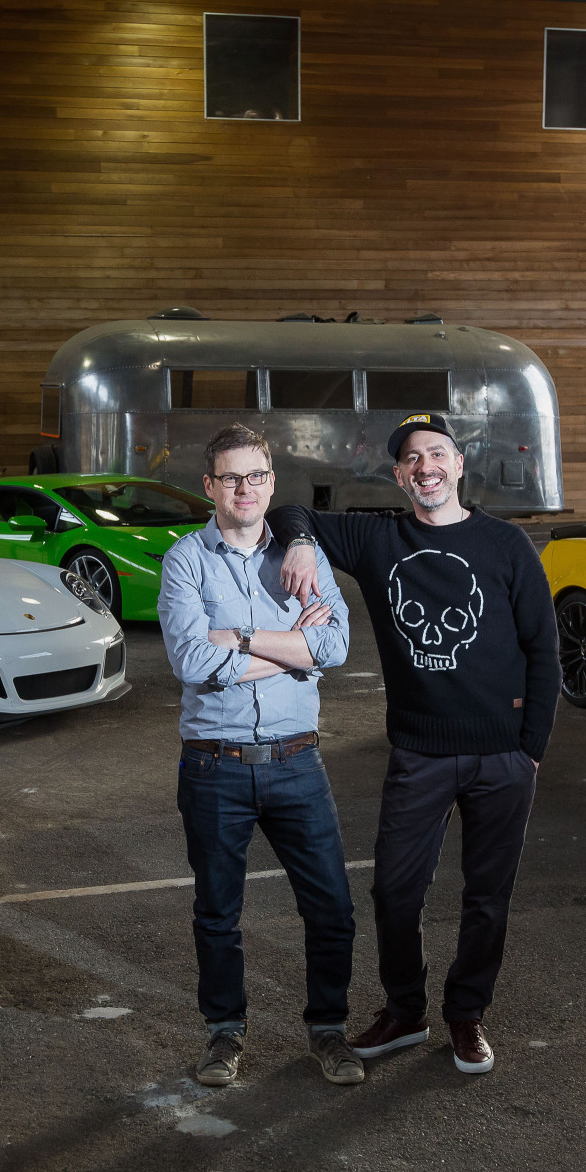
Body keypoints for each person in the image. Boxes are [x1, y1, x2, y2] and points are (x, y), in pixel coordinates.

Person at [268, 413, 558, 1074]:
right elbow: (288, 509)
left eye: (436, 453)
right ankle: (406, 1009)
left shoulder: (507, 545)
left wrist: (529, 747)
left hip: (502, 757)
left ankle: (466, 1014)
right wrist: (305, 544)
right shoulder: (378, 540)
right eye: (410, 459)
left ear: (459, 465)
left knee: (488, 896)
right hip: (420, 753)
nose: (424, 465)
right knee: (394, 891)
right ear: (399, 477)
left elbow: (543, 646)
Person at [158, 424, 362, 1087]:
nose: (244, 488)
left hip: (298, 762)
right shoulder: (186, 559)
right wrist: (285, 649)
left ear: (272, 483)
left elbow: (334, 650)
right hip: (214, 766)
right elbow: (192, 660)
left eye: (256, 476)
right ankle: (224, 1035)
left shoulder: (303, 560)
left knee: (331, 905)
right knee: (218, 911)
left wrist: (239, 639)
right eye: (230, 477)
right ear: (210, 486)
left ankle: (328, 1030)